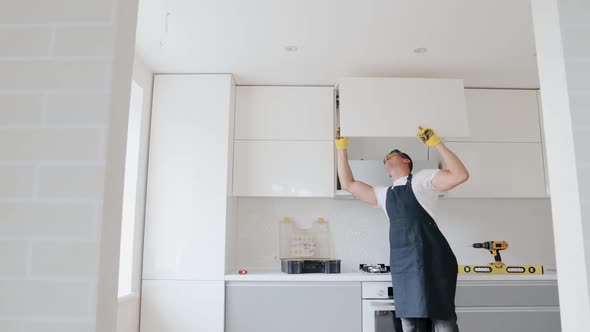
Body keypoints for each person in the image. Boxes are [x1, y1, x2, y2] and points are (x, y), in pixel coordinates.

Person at [335, 126, 469, 332]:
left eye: (392, 155)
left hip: (434, 260)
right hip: (404, 266)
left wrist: (436, 143)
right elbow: (347, 183)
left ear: (406, 161)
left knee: (443, 319)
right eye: (385, 158)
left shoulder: (423, 179)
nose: (386, 158)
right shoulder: (383, 194)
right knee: (409, 323)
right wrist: (341, 148)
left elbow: (460, 175)